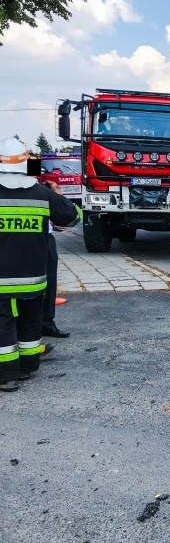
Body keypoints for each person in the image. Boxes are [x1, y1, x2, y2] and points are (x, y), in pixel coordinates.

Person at [0, 137, 80, 392]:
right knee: (30, 320)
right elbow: (73, 217)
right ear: (26, 164)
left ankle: (6, 375)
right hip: (33, 277)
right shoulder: (42, 194)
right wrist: (57, 196)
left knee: (3, 324)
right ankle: (26, 367)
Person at [41, 186, 70, 338]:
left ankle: (46, 323)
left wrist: (50, 225)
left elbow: (69, 216)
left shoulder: (37, 186)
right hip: (30, 239)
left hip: (45, 236)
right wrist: (57, 195)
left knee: (50, 282)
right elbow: (69, 213)